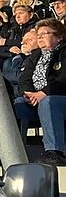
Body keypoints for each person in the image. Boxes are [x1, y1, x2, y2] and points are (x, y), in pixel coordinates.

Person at [16, 17, 66, 165]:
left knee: (48, 102)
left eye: (45, 33)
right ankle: (13, 149)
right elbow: (24, 80)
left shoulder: (64, 52)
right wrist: (27, 94)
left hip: (59, 98)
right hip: (35, 99)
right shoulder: (35, 55)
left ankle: (54, 151)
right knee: (16, 103)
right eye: (38, 35)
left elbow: (63, 79)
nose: (40, 37)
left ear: (59, 36)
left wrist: (43, 93)